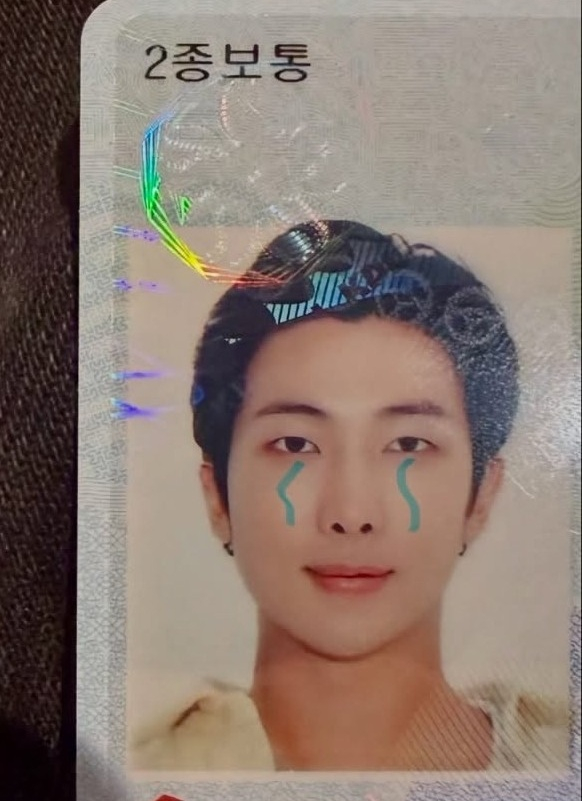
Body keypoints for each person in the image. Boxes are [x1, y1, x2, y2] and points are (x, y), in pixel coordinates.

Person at [131, 220, 569, 772]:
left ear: (481, 496)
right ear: (217, 496)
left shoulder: (556, 759)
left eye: (408, 444)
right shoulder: (125, 772)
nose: (351, 514)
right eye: (295, 444)